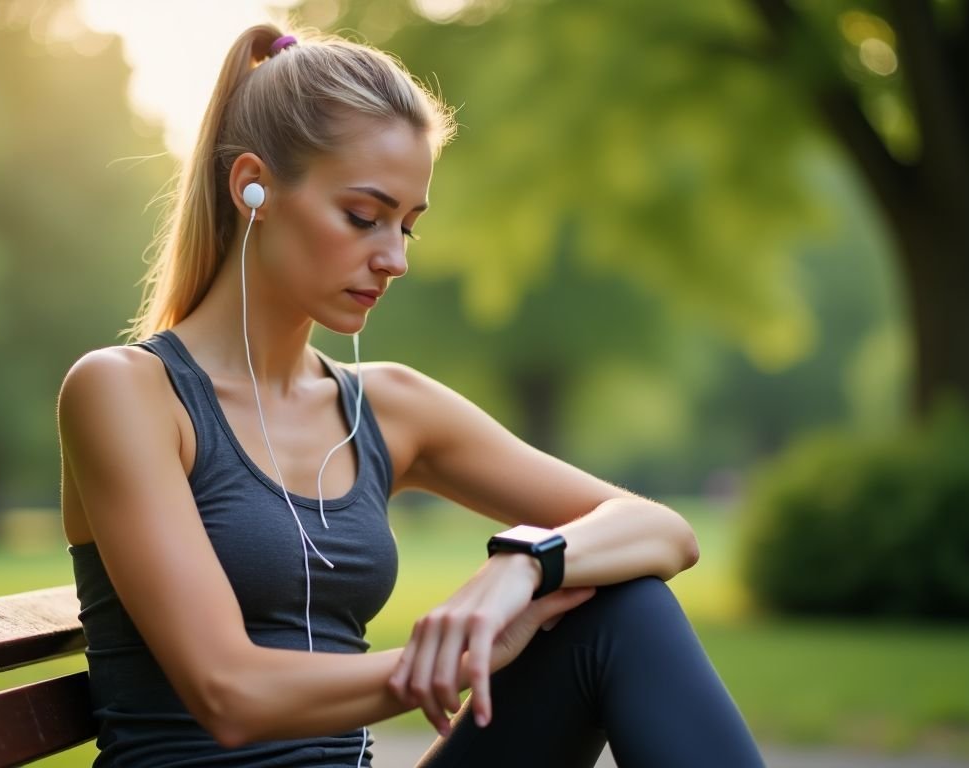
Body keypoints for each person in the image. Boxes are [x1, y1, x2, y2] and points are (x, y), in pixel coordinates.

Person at [57, 23, 765, 768]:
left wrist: (521, 565)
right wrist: (460, 657)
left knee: (626, 609)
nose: (392, 258)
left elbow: (662, 532)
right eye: (364, 217)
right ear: (253, 188)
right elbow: (229, 694)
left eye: (408, 226)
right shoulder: (127, 394)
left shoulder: (388, 407)